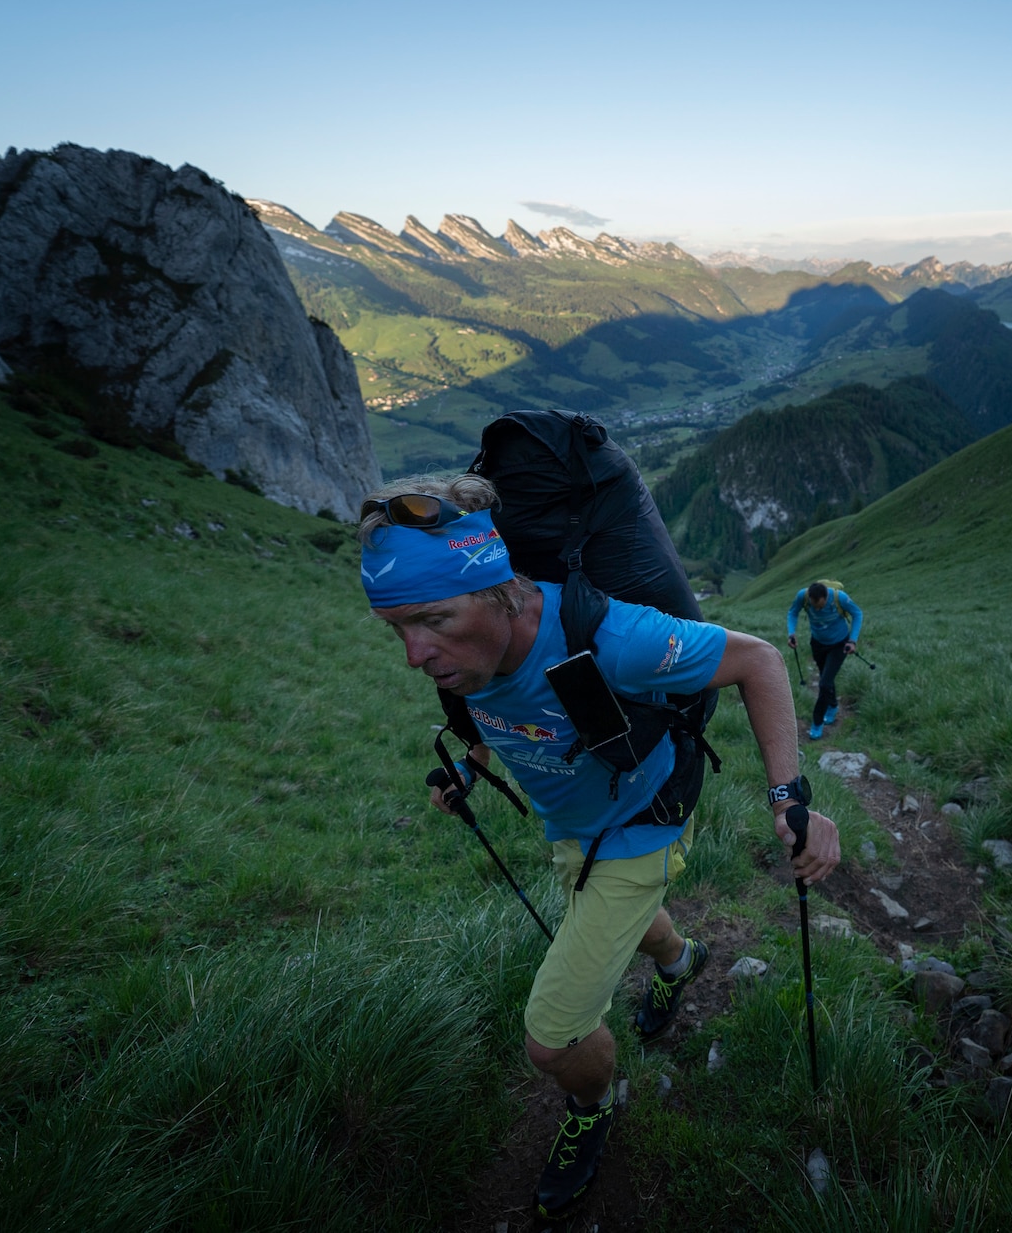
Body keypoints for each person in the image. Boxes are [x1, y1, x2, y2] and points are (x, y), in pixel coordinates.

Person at [358, 475, 840, 1221]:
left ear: (500, 592)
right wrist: (469, 771)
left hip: (640, 822)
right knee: (614, 918)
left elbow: (759, 662)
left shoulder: (612, 637)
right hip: (571, 828)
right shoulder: (470, 652)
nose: (415, 653)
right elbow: (483, 711)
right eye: (397, 628)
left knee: (552, 1037)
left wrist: (789, 798)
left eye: (433, 620)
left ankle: (591, 1102)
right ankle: (683, 960)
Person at [786, 580, 863, 741]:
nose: (817, 609)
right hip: (818, 644)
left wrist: (853, 641)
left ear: (825, 596)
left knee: (825, 683)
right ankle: (833, 705)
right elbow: (793, 612)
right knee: (825, 677)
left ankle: (817, 722)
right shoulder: (803, 596)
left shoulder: (839, 598)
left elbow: (857, 614)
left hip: (840, 644)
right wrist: (791, 633)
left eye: (820, 605)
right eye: (814, 606)